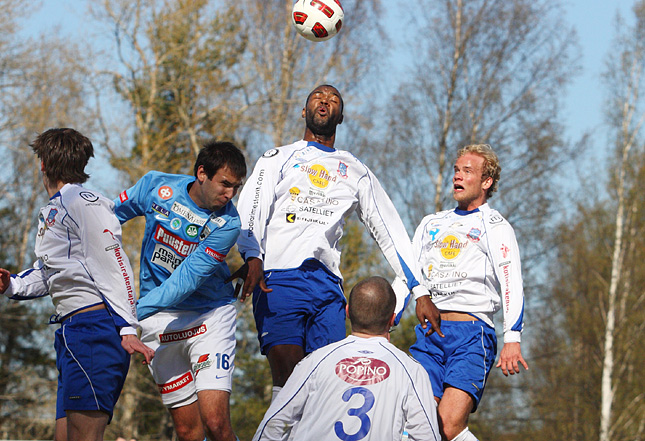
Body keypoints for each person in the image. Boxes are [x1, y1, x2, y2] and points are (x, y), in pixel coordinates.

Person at [233, 84, 442, 401]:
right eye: (317, 97)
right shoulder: (277, 158)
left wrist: (420, 290)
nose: (324, 101)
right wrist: (252, 256)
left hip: (327, 288)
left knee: (326, 387)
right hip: (279, 279)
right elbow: (251, 208)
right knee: (290, 376)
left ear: (340, 116)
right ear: (304, 111)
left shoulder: (355, 170)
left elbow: (389, 228)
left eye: (333, 99)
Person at [0, 128, 154, 441]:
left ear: (42, 163)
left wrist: (127, 327)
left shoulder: (85, 202)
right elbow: (50, 273)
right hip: (72, 334)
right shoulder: (55, 209)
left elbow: (114, 264)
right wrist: (11, 285)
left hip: (94, 331)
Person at [113, 140, 246, 441]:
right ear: (202, 173)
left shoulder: (228, 223)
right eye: (225, 184)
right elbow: (106, 220)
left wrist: (128, 316)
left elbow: (185, 281)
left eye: (236, 187)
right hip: (157, 319)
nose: (230, 195)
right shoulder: (154, 186)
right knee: (188, 431)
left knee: (215, 423)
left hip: (209, 316)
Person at [403, 144, 529, 441]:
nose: (458, 176)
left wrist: (512, 337)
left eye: (467, 171)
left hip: (471, 335)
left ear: (487, 182)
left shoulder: (495, 226)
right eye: (456, 170)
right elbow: (407, 274)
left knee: (447, 425)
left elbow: (512, 281)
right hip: (430, 334)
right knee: (417, 426)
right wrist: (388, 317)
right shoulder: (431, 223)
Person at [252, 276, 441, 441]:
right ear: (392, 319)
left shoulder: (315, 361)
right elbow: (427, 435)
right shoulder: (411, 370)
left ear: (348, 311)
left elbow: (275, 421)